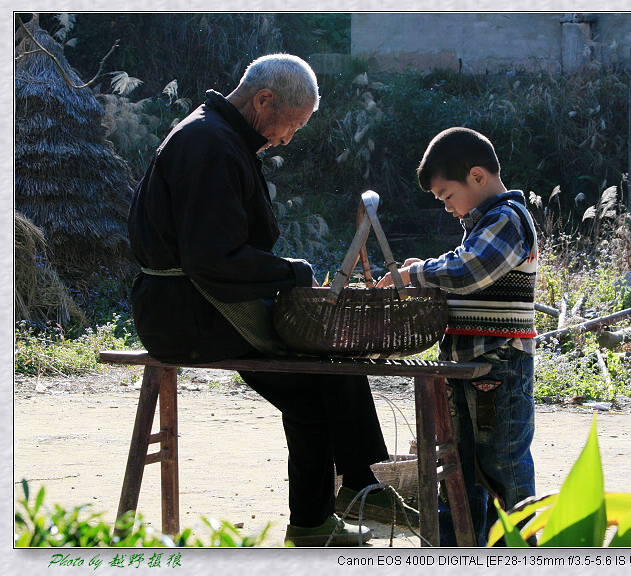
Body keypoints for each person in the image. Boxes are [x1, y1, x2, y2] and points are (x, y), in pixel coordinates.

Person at [128, 53, 416, 546]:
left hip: (196, 302)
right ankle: (359, 487)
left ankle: (323, 515)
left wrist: (285, 276)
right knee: (321, 364)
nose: (288, 137)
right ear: (263, 100)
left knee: (315, 383)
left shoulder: (221, 137)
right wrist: (294, 273)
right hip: (188, 310)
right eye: (292, 124)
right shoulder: (210, 145)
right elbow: (212, 258)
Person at [377, 127, 538, 546]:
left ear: (478, 176)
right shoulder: (482, 223)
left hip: (499, 365)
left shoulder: (508, 219)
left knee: (502, 467)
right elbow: (461, 266)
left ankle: (521, 551)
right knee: (460, 470)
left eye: (448, 195)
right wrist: (427, 269)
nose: (447, 207)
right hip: (471, 367)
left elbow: (468, 270)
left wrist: (415, 272)